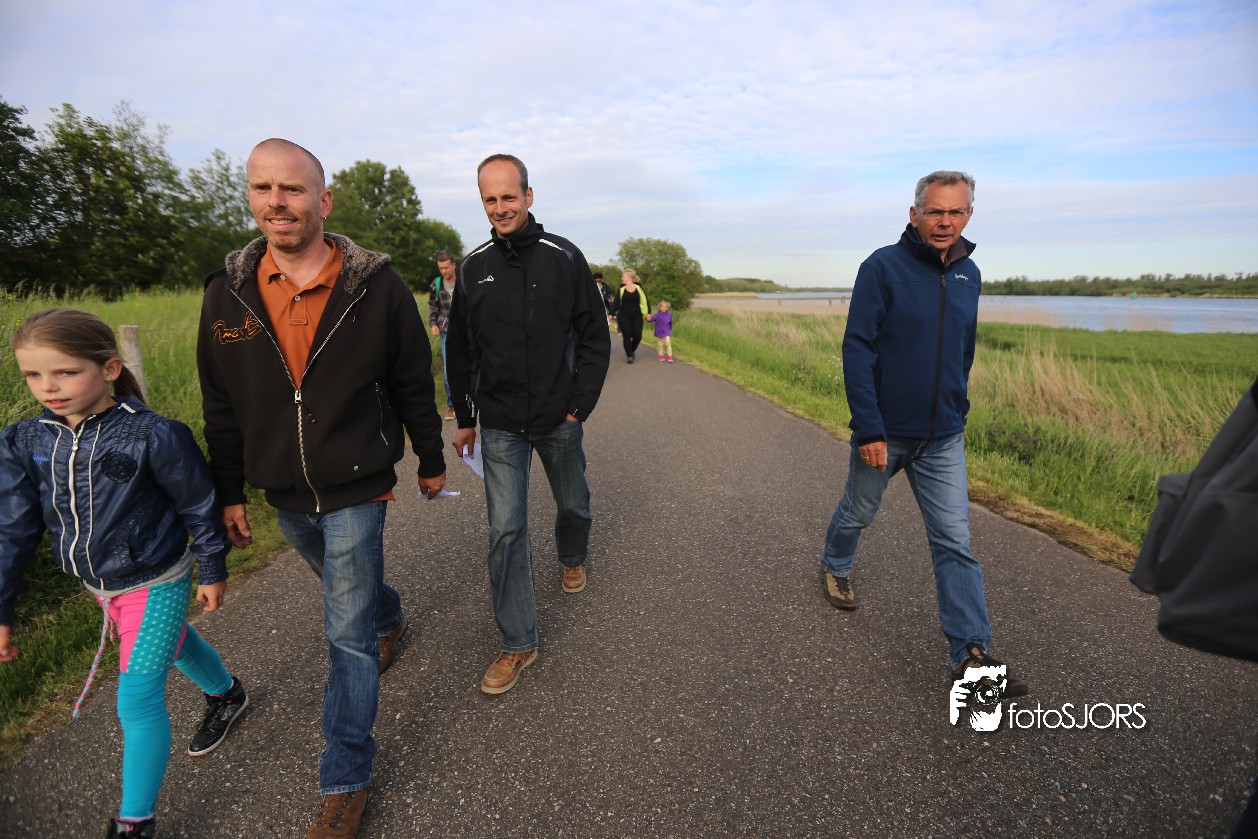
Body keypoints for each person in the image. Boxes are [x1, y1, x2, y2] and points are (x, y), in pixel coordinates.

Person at [197, 138, 447, 839]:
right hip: (282, 489)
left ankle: (344, 779)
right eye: (263, 188)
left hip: (357, 483)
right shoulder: (226, 293)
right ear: (251, 196)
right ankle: (388, 614)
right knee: (354, 596)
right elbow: (220, 404)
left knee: (345, 633)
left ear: (323, 200)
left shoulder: (378, 287)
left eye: (293, 188)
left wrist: (430, 457)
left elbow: (412, 381)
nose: (277, 201)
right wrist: (228, 491)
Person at [0, 309, 247, 839]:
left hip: (155, 577)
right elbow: (13, 529)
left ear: (109, 368)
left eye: (65, 372)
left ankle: (135, 821)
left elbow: (198, 504)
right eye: (33, 374)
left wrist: (211, 566)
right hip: (99, 583)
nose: (48, 387)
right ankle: (227, 693)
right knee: (172, 643)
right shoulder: (25, 440)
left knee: (136, 700)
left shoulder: (153, 434)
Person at [819, 170, 1029, 698]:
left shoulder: (969, 274)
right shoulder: (882, 267)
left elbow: (963, 349)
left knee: (955, 541)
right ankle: (836, 564)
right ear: (914, 214)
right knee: (859, 511)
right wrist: (869, 427)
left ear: (969, 215)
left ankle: (972, 655)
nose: (945, 221)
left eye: (956, 212)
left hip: (943, 437)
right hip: (885, 432)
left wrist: (959, 408)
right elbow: (858, 349)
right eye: (935, 211)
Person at [446, 153, 610, 695]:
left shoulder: (564, 257)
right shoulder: (473, 267)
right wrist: (466, 417)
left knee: (573, 505)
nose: (500, 208)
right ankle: (519, 642)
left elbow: (593, 335)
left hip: (559, 418)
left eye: (509, 197)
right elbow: (461, 350)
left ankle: (572, 556)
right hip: (500, 424)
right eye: (490, 199)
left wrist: (579, 405)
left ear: (529, 196)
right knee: (506, 530)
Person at [429, 250, 458, 421]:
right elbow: (433, 306)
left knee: (471, 367)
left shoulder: (464, 281)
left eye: (446, 267)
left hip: (465, 332)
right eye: (441, 268)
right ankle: (452, 406)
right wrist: (433, 324)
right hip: (446, 332)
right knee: (448, 371)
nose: (444, 271)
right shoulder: (436, 284)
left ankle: (472, 402)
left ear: (453, 265)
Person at [616, 269, 650, 363]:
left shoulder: (639, 288)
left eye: (623, 276)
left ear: (629, 277)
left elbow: (645, 300)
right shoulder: (621, 289)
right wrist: (611, 314)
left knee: (637, 336)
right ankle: (629, 356)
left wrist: (648, 312)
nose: (621, 278)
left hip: (637, 316)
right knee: (627, 335)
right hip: (623, 316)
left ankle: (631, 349)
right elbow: (616, 303)